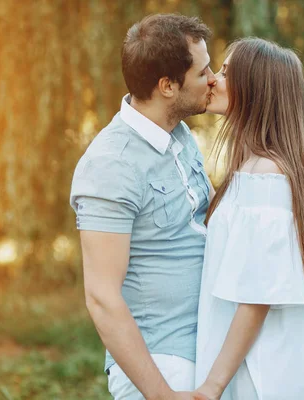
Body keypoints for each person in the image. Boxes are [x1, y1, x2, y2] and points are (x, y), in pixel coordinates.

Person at [69, 14, 216, 400]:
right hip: (164, 364)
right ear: (168, 86)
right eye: (204, 72)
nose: (214, 78)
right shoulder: (110, 165)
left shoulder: (180, 134)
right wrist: (163, 395)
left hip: (209, 350)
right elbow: (102, 296)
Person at [193, 38, 304, 400]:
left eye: (226, 72)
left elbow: (256, 298)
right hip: (253, 361)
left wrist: (210, 388)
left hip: (263, 371)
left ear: (255, 89)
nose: (213, 78)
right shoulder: (254, 169)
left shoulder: (267, 176)